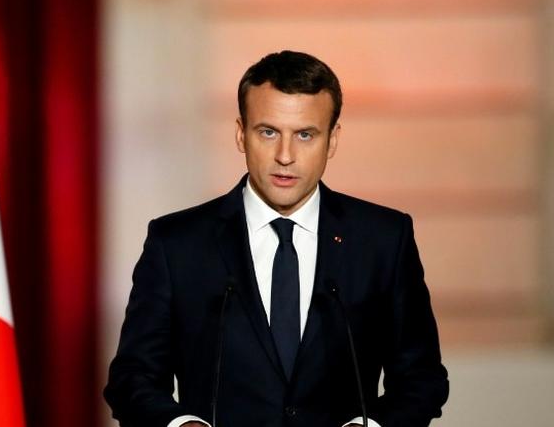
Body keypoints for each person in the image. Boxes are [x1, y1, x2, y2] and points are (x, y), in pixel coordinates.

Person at [104, 50, 449, 427]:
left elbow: (422, 379)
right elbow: (131, 380)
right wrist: (180, 424)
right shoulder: (177, 244)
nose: (285, 155)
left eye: (305, 134)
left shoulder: (383, 239)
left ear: (332, 140)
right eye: (268, 132)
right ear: (241, 134)